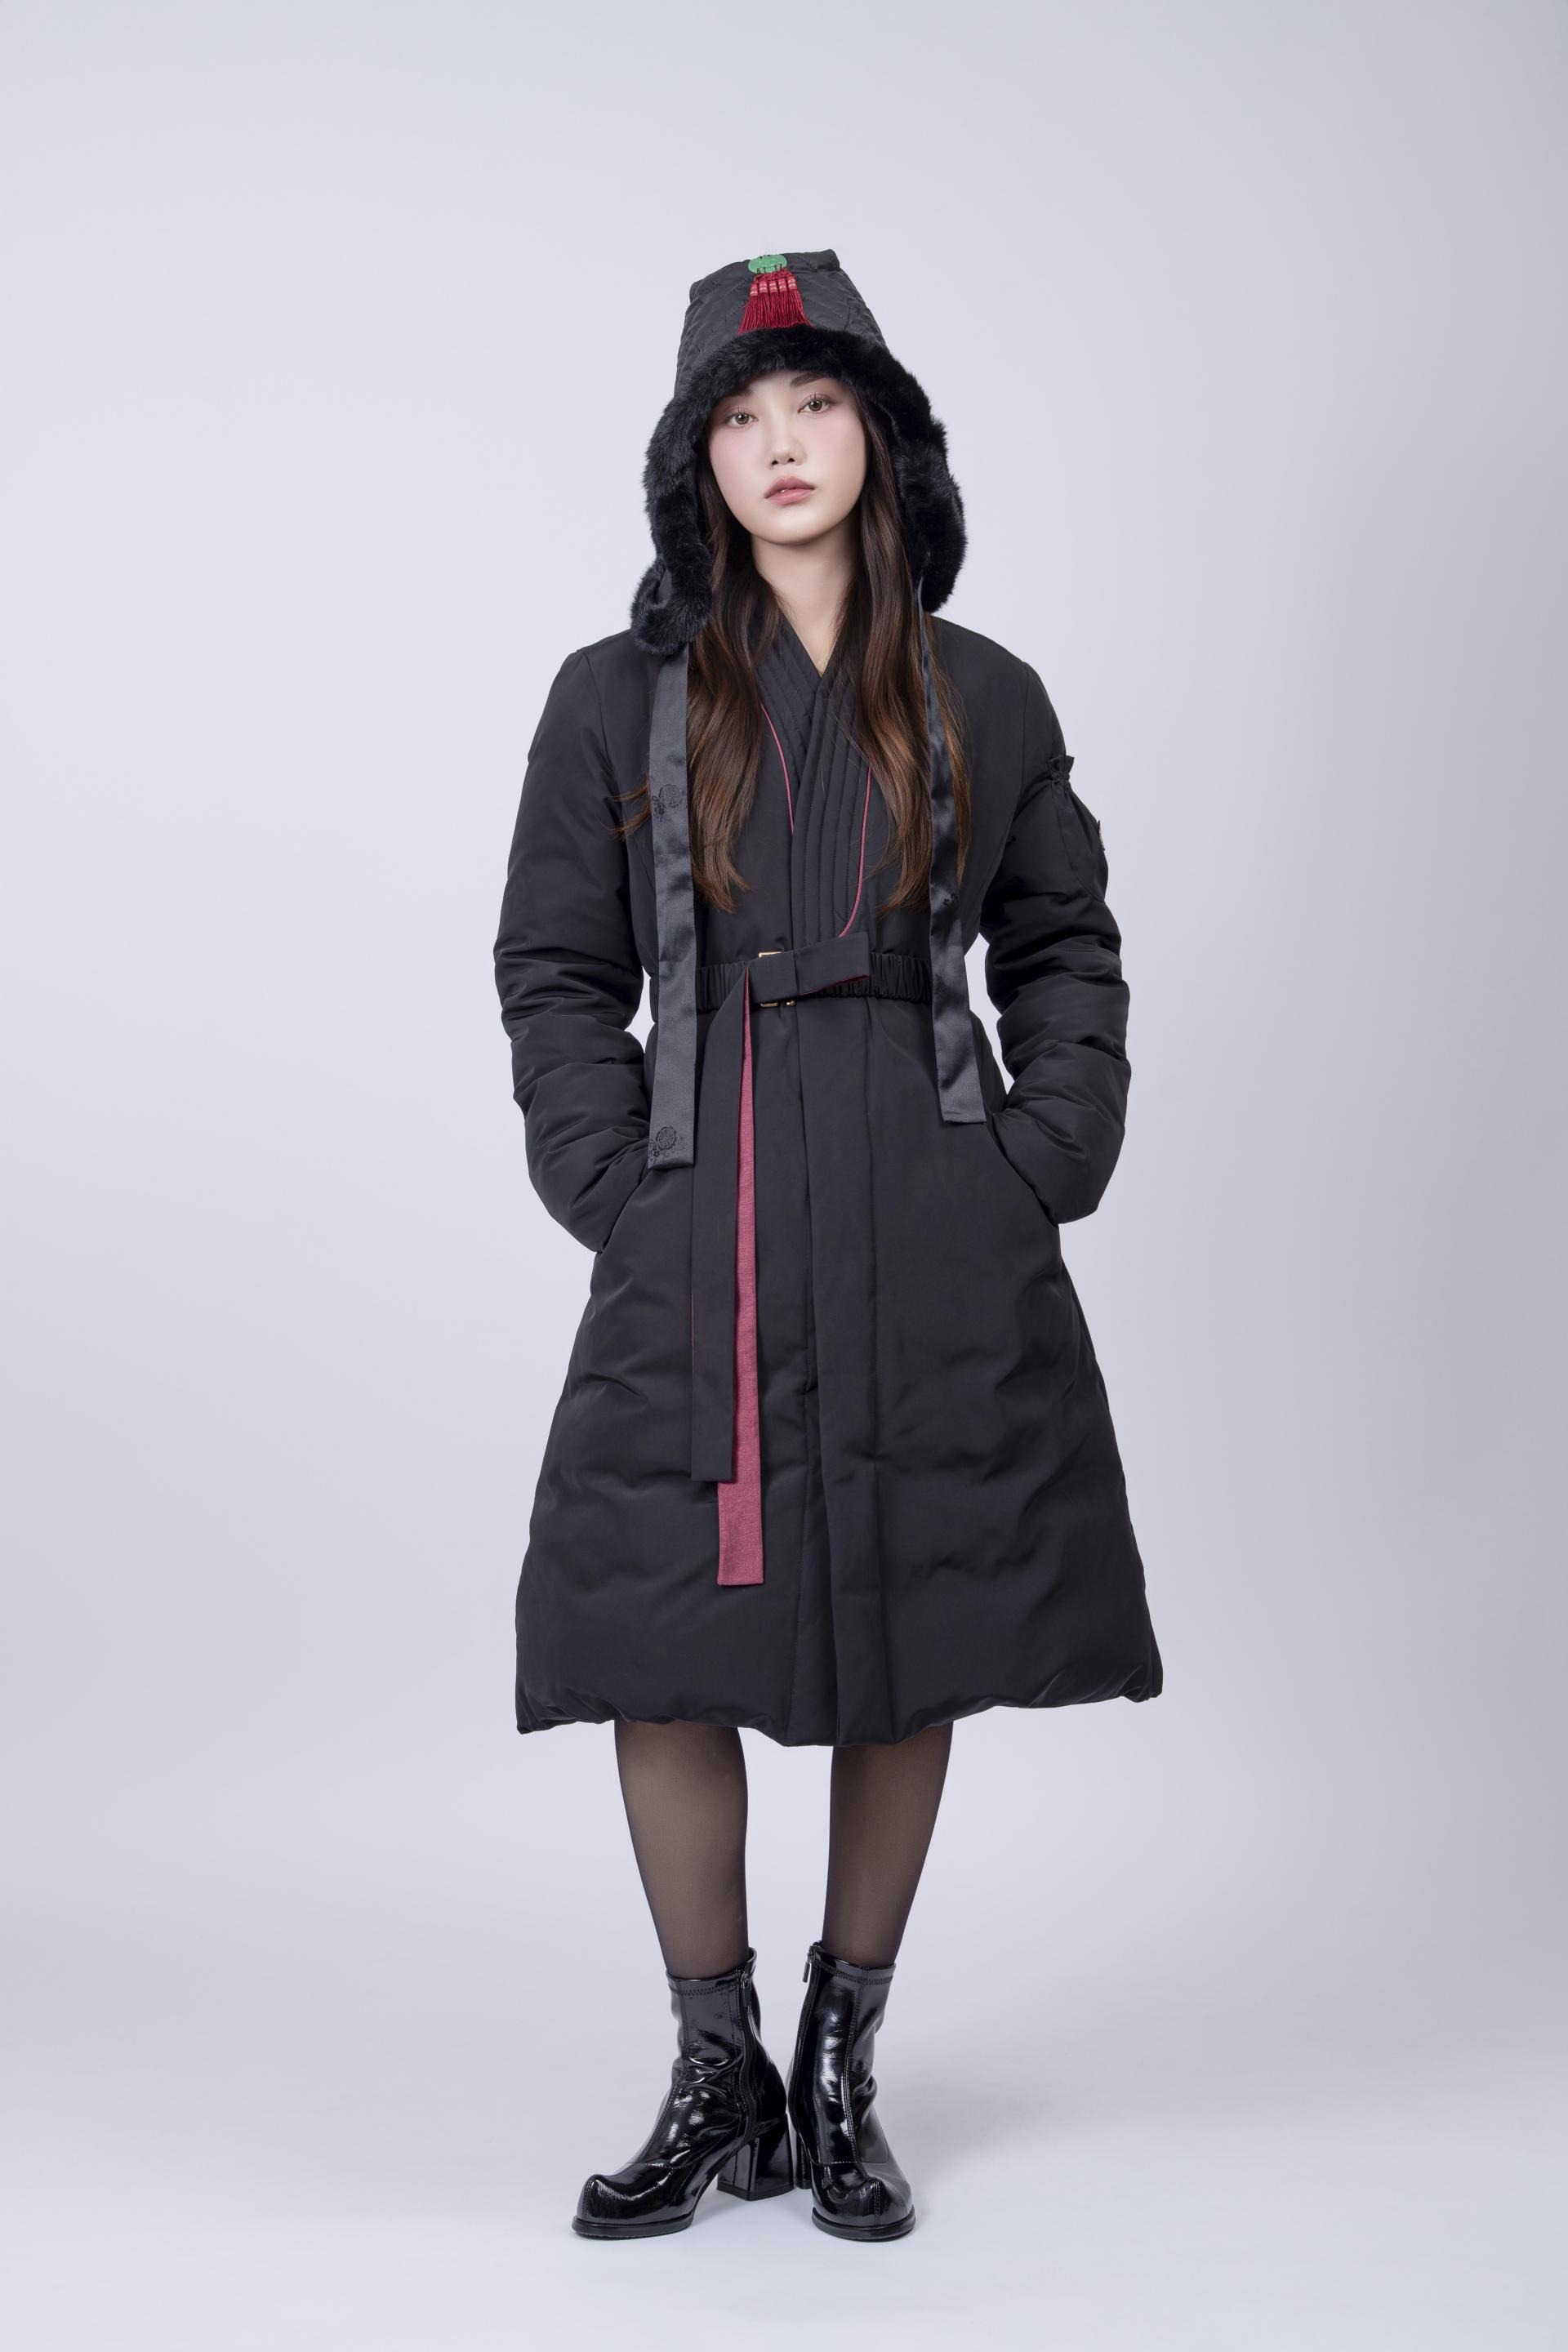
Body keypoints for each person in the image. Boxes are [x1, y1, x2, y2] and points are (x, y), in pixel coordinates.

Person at [492, 249, 1162, 2243]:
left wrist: (1041, 1156)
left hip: (929, 1215)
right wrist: (609, 1177)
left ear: (881, 435)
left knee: (910, 1609)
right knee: (657, 1626)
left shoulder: (986, 692)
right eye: (740, 413)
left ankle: (843, 2057)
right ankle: (718, 2074)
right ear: (695, 458)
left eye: (815, 403)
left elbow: (1065, 942)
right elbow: (553, 968)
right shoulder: (610, 698)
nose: (781, 443)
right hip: (699, 1211)